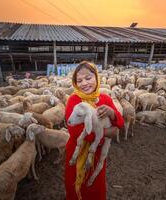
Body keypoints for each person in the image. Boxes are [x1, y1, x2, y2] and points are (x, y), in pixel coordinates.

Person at [65, 61, 124, 200]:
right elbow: (75, 130)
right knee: (75, 186)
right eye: (79, 80)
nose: (84, 83)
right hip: (77, 152)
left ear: (96, 78)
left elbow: (120, 123)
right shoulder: (74, 100)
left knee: (94, 188)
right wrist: (108, 132)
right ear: (75, 83)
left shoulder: (105, 99)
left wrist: (111, 112)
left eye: (88, 78)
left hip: (96, 153)